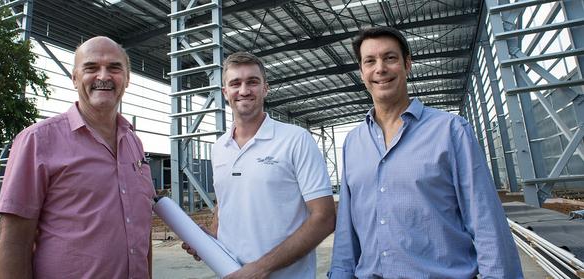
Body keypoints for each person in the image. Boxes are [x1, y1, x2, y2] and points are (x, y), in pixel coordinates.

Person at [328, 26, 523, 278]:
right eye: (370, 61)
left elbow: (486, 223)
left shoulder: (451, 131)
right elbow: (346, 232)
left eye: (390, 58)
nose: (380, 69)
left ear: (407, 64)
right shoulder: (354, 143)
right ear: (361, 72)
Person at [0, 36, 156, 279]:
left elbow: (142, 230)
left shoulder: (134, 144)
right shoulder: (38, 141)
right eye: (91, 68)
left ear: (127, 79)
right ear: (74, 78)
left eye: (114, 68)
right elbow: (15, 241)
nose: (103, 76)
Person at [183, 52, 336, 278]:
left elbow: (324, 218)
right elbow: (225, 205)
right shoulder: (219, 148)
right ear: (225, 92)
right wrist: (209, 242)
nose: (244, 90)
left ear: (265, 88)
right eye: (235, 83)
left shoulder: (295, 139)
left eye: (252, 82)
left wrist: (262, 268)